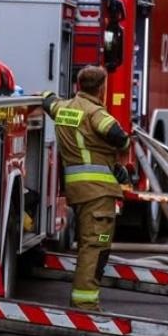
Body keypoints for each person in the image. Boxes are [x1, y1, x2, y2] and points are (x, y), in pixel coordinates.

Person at [39, 65, 129, 310]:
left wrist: (43, 95)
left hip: (78, 193)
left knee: (90, 242)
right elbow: (118, 135)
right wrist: (122, 149)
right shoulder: (95, 112)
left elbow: (48, 101)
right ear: (101, 88)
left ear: (79, 85)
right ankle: (85, 304)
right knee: (97, 245)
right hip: (99, 195)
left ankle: (83, 299)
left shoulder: (64, 109)